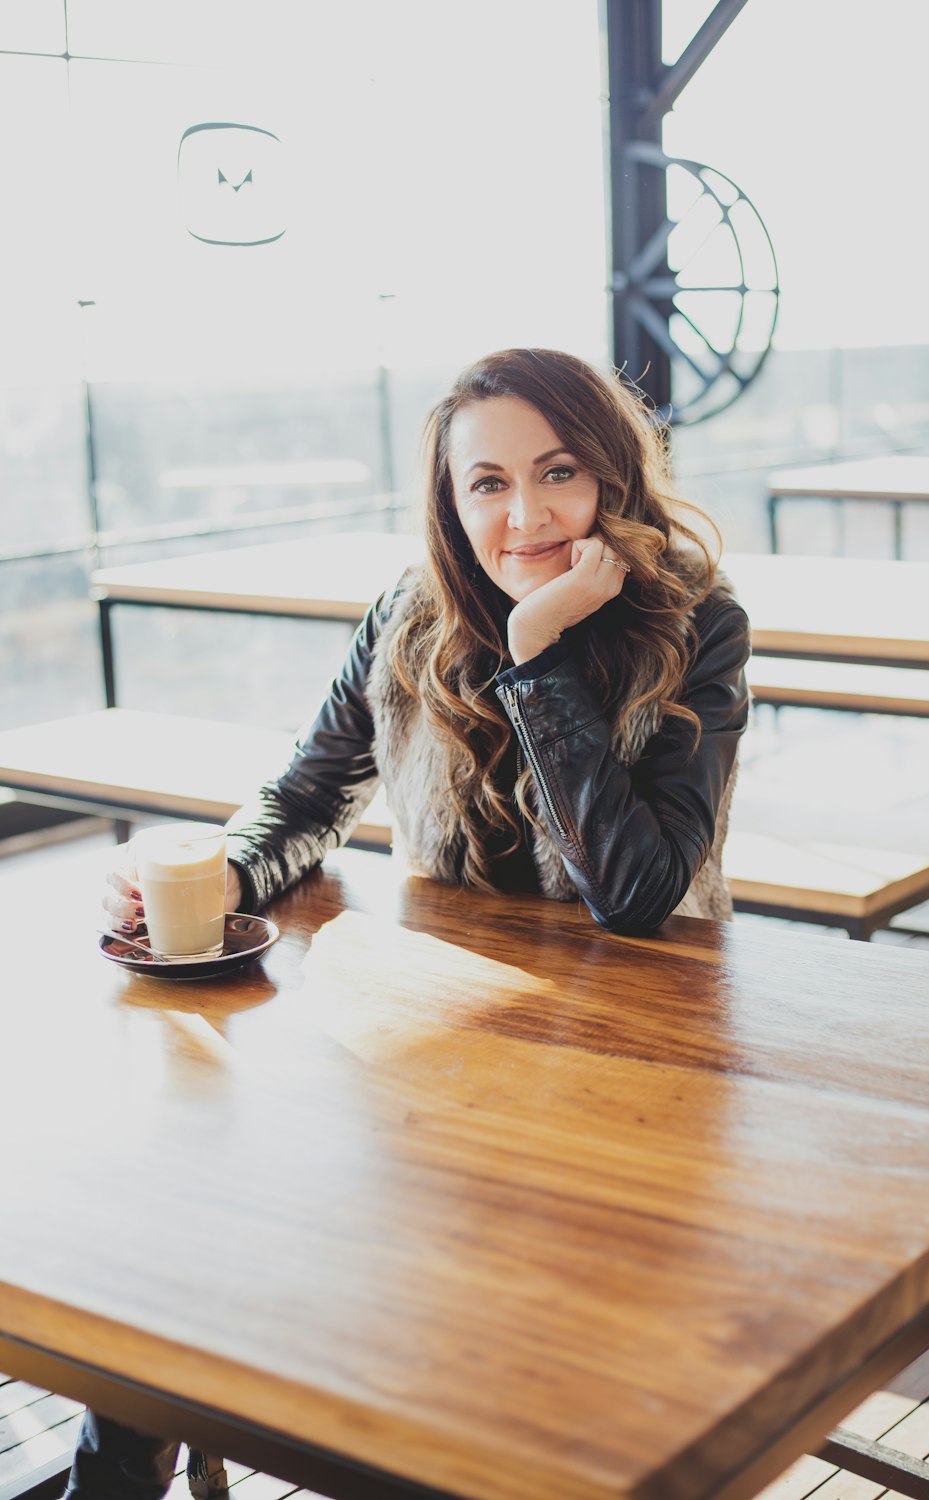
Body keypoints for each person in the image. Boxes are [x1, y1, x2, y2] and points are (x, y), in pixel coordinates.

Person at [80, 346, 750, 1500]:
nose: (525, 513)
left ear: (613, 479)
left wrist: (538, 654)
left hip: (633, 1064)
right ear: (449, 500)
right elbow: (307, 797)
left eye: (559, 472)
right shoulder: (408, 614)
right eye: (486, 483)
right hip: (436, 1047)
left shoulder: (696, 623)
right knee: (164, 1240)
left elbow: (635, 896)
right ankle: (129, 1452)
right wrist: (216, 879)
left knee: (497, 1356)